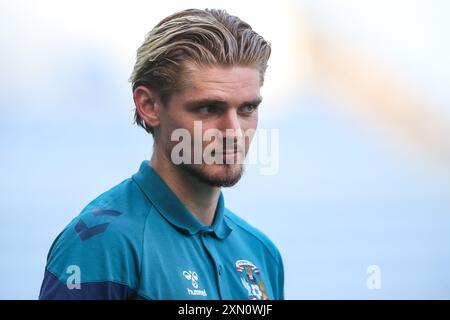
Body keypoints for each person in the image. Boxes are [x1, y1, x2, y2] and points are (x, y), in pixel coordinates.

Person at [39, 8, 284, 300]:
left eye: (247, 109)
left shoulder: (261, 253)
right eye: (208, 108)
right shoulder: (99, 243)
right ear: (149, 105)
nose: (233, 131)